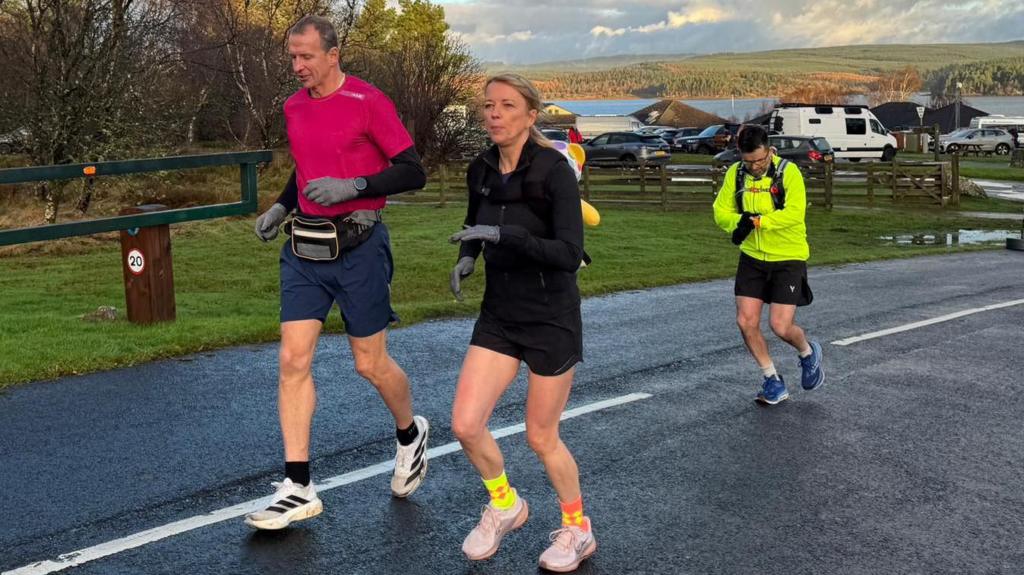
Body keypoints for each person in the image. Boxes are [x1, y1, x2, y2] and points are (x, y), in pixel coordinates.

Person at [245, 15, 429, 530]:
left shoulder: (368, 101)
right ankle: (298, 484)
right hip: (305, 249)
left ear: (333, 53)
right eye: (292, 57)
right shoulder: (293, 106)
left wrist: (354, 187)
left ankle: (410, 433)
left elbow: (413, 170)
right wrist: (282, 206)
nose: (298, 66)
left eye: (306, 56)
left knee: (369, 364)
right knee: (292, 359)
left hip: (360, 246)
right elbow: (304, 168)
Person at [447, 73, 596, 572]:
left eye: (507, 105)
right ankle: (506, 503)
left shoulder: (553, 170)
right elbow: (476, 223)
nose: (494, 114)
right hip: (500, 315)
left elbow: (569, 252)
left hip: (550, 316)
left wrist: (505, 237)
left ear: (531, 115)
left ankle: (577, 528)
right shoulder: (481, 168)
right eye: (488, 105)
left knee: (540, 436)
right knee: (466, 425)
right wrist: (469, 255)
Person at [712, 124, 825, 405]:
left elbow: (795, 213)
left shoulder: (788, 172)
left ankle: (808, 352)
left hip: (788, 256)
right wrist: (738, 223)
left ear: (769, 150)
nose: (755, 167)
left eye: (760, 160)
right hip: (752, 257)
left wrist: (761, 221)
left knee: (780, 326)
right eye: (748, 161)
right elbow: (720, 211)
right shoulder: (735, 174)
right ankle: (772, 379)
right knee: (745, 321)